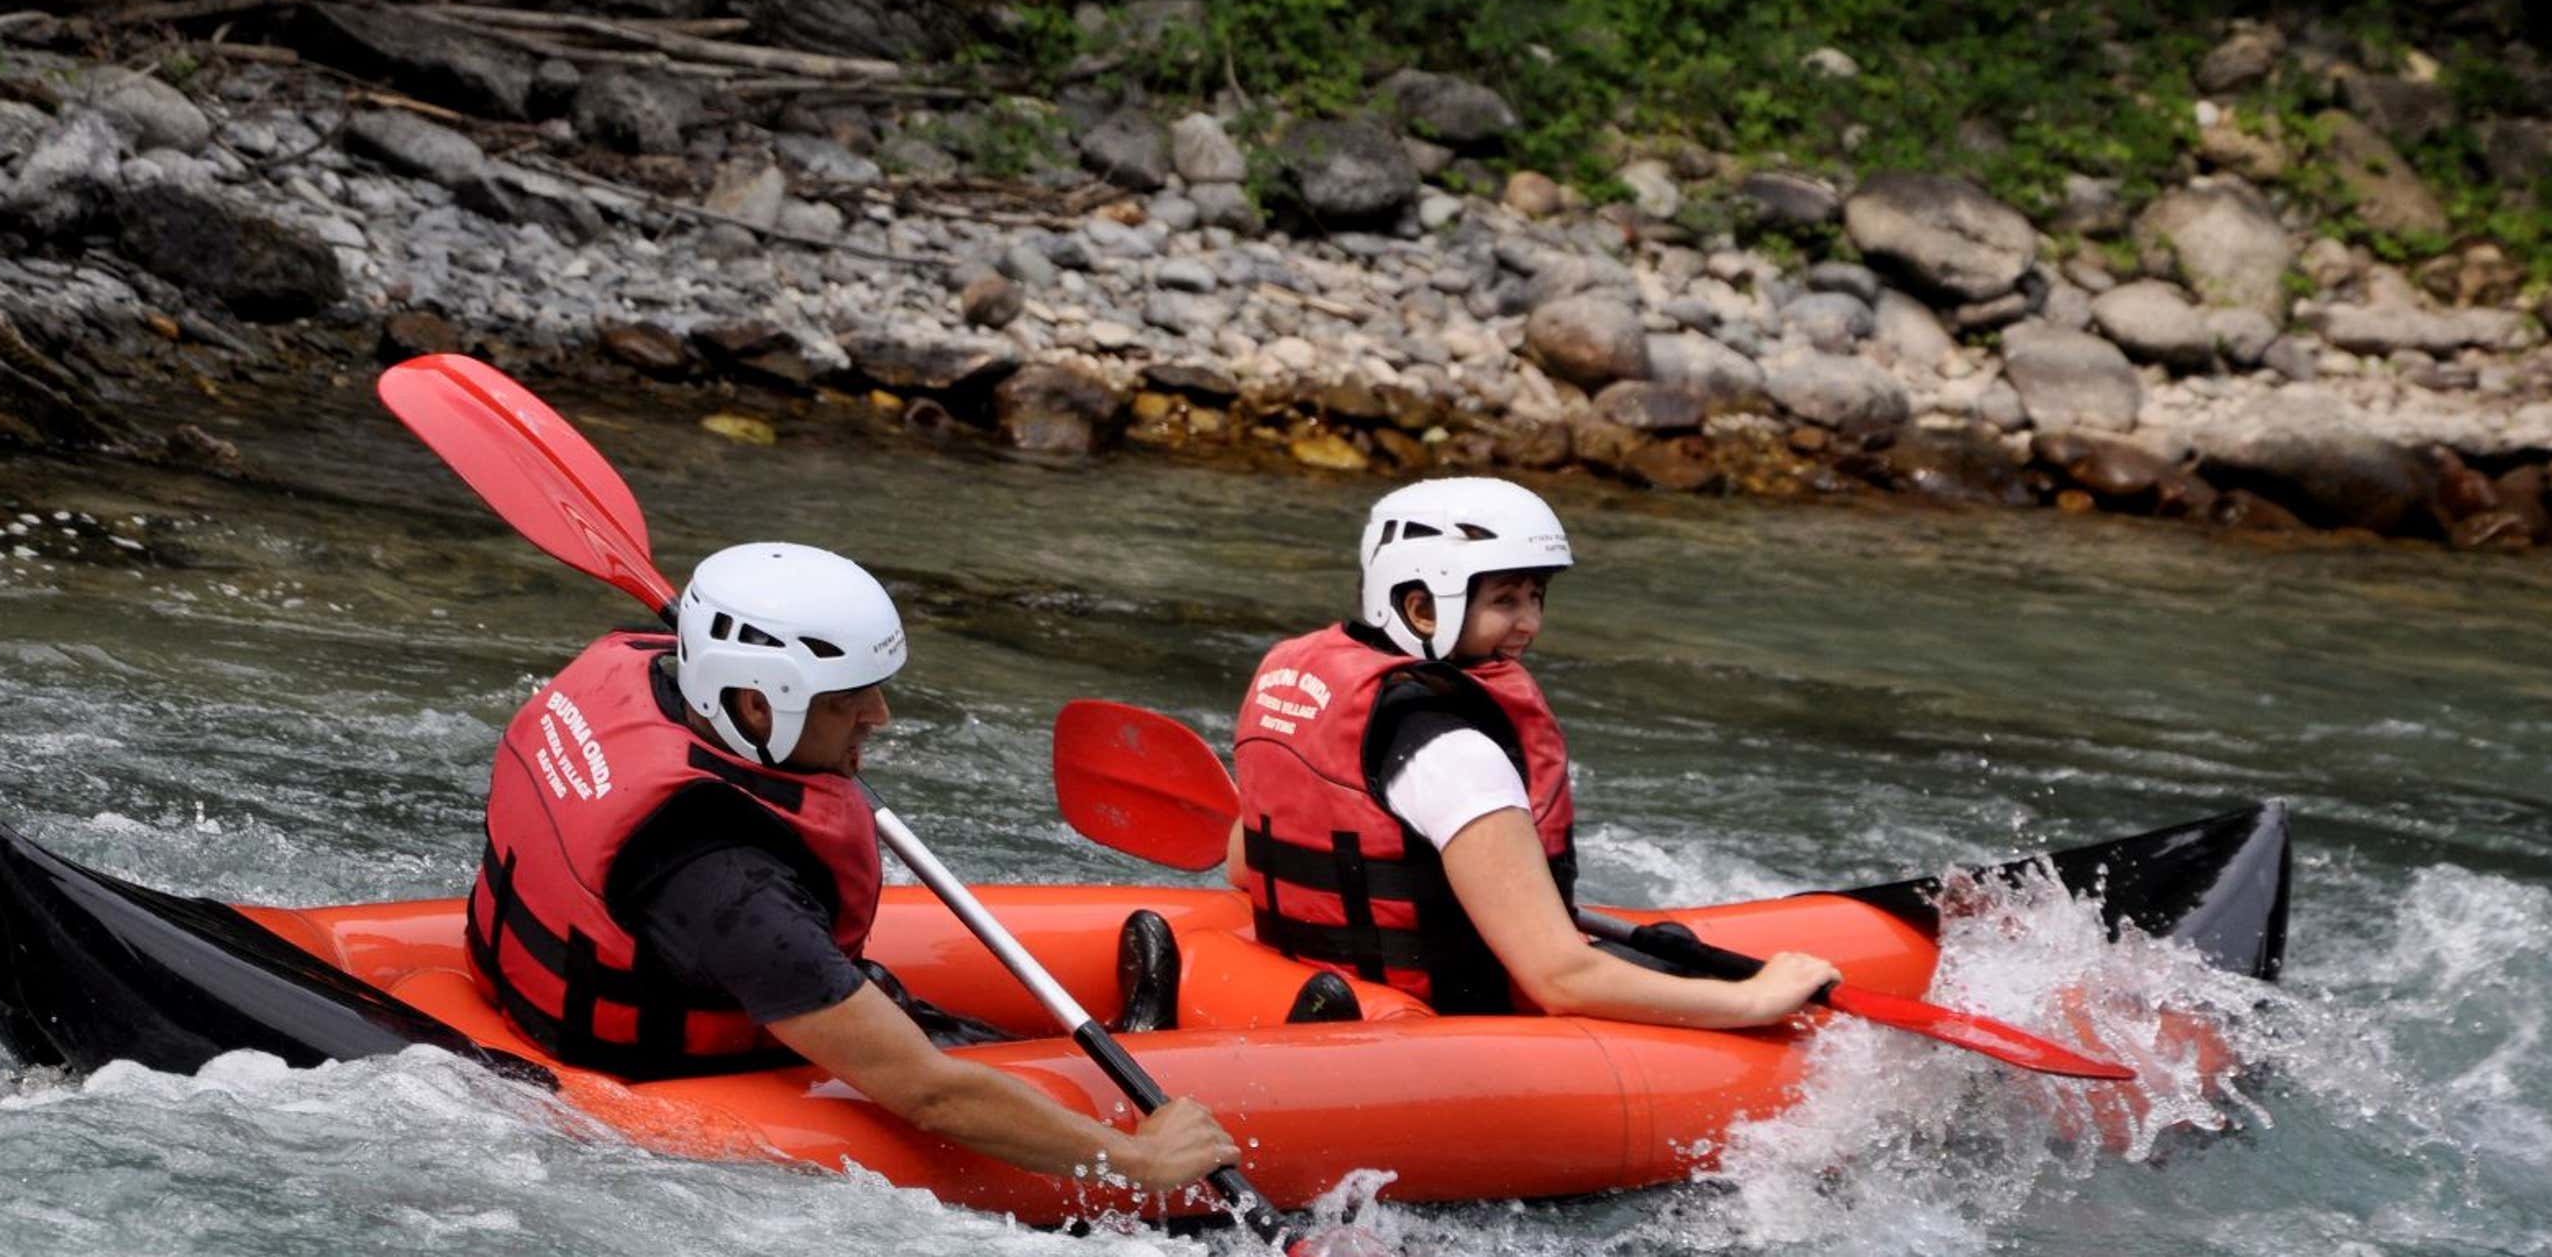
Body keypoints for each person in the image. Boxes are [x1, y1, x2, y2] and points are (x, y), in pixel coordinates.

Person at [469, 542, 1236, 1191]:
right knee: (926, 1046)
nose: (879, 714)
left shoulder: (654, 678)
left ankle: (1133, 1036)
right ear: (758, 705)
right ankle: (1138, 1060)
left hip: (599, 991)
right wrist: (1139, 1159)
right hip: (664, 1089)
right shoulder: (728, 883)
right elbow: (929, 1093)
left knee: (902, 1001)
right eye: (848, 699)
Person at [1226, 478, 1839, 1026]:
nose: (1530, 624)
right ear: (1421, 605)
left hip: (1321, 982)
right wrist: (1755, 1000)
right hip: (1451, 1027)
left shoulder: (1306, 689)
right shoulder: (1456, 753)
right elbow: (1560, 979)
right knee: (1677, 955)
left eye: (1536, 596)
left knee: (1664, 942)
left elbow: (1242, 869)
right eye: (1506, 601)